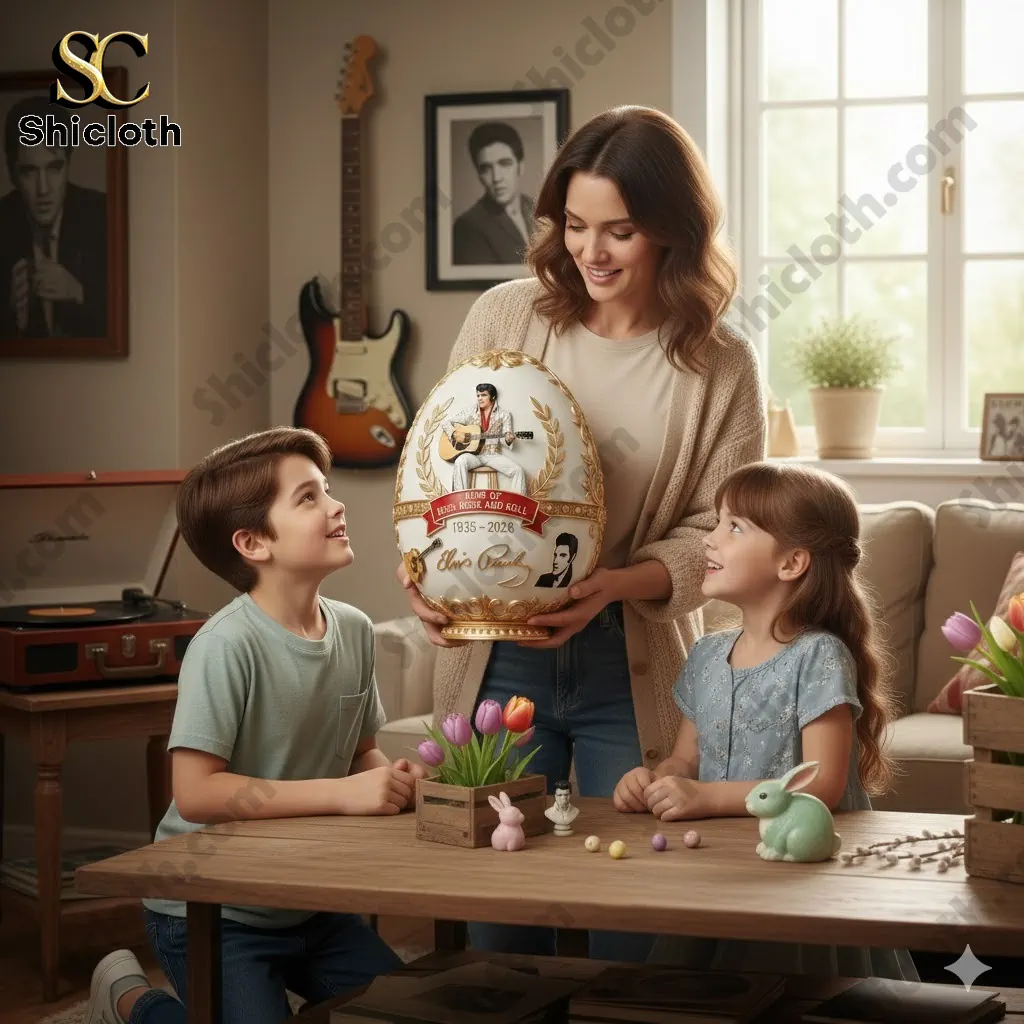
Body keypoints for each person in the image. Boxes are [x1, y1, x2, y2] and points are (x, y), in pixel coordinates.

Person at [399, 105, 767, 961]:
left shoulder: (723, 364)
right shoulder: (505, 316)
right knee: (498, 917)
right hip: (498, 653)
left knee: (632, 904)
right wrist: (424, 570)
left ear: (672, 231)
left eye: (620, 231)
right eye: (574, 226)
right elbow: (440, 467)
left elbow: (720, 528)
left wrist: (620, 583)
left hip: (628, 661)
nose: (591, 253)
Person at [85, 427, 426, 1024]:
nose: (336, 505)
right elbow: (195, 794)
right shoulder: (224, 645)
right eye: (309, 498)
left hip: (309, 902)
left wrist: (395, 780)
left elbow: (359, 756)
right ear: (252, 542)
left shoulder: (355, 630)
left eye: (328, 490)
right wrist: (346, 795)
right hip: (213, 910)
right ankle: (131, 1003)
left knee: (410, 1012)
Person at [615, 460, 917, 981]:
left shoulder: (818, 657)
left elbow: (821, 783)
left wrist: (706, 798)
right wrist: (658, 782)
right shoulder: (706, 655)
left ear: (792, 562)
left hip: (796, 879)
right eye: (716, 523)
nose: (710, 540)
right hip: (718, 866)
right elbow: (686, 758)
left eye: (734, 527)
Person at [0, 95, 107, 338]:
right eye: (29, 171)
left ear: (68, 164)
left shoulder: (104, 217)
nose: (44, 189)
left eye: (54, 168)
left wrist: (79, 293)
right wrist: (8, 316)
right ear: (13, 175)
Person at [452, 121, 534, 265]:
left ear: (520, 167)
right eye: (486, 168)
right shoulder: (468, 227)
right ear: (478, 174)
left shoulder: (539, 209)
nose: (496, 177)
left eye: (504, 164)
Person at [441, 382, 527, 494]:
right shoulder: (469, 412)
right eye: (478, 395)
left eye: (484, 395)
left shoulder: (504, 415)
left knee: (518, 470)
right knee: (460, 461)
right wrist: (454, 434)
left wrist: (508, 439)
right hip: (473, 455)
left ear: (493, 397)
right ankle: (460, 499)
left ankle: (519, 506)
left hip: (492, 455)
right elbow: (446, 422)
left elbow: (505, 437)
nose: (480, 399)